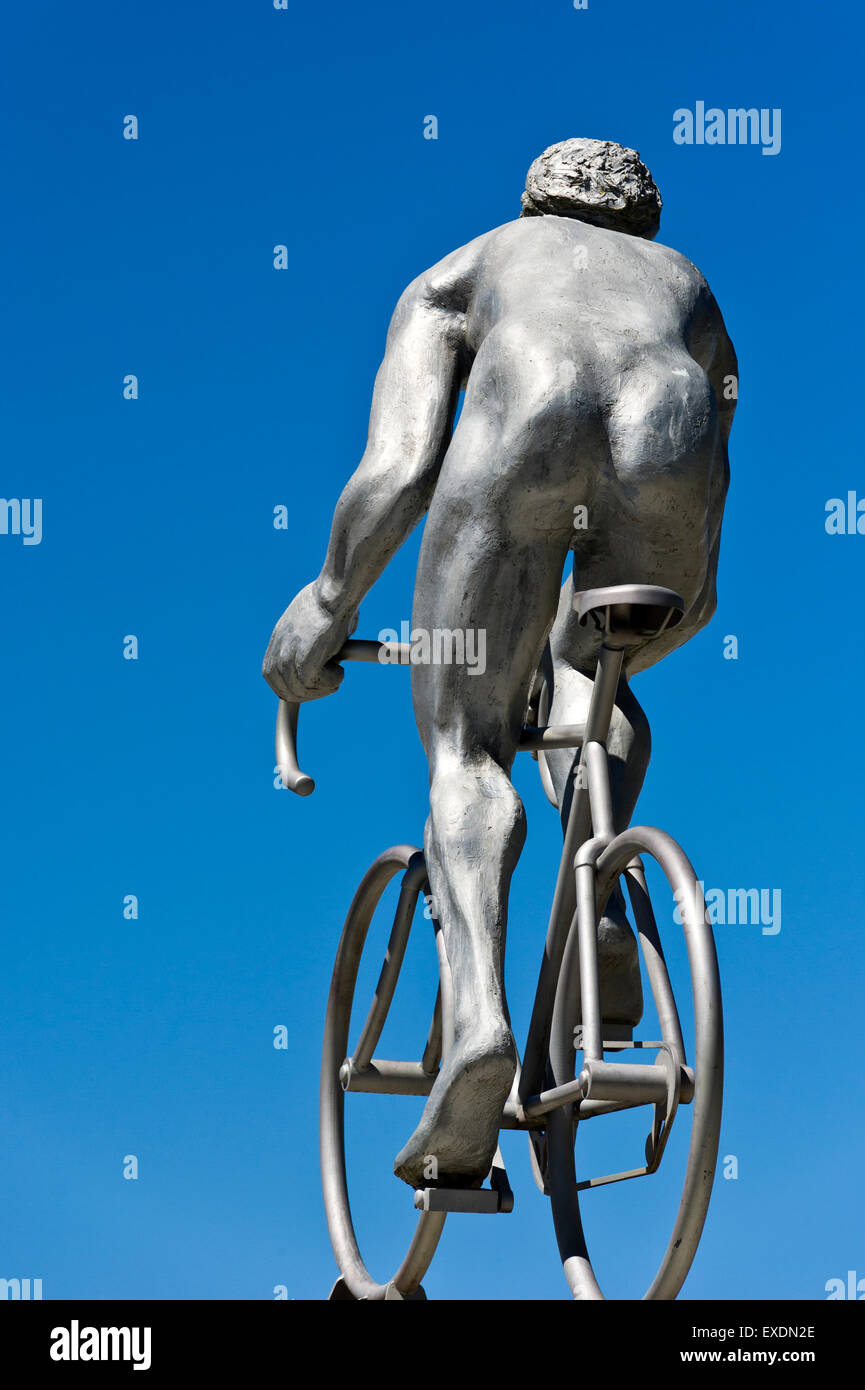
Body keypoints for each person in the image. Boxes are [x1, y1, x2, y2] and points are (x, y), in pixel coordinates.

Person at [262, 138, 737, 1189]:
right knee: (591, 676)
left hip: (528, 408)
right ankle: (603, 902)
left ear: (535, 202)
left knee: (467, 747)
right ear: (640, 220)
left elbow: (397, 470)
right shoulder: (685, 289)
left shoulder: (465, 270)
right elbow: (704, 539)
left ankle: (476, 1021)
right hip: (673, 420)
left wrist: (328, 601)